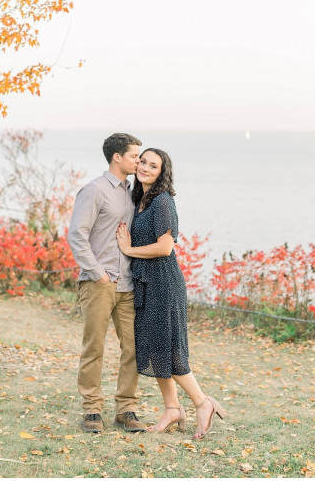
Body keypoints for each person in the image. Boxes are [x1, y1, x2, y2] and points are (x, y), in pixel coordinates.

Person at [116, 148, 226, 440]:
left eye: (154, 165)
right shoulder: (139, 199)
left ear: (162, 172)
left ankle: (203, 403)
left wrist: (128, 250)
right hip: (145, 282)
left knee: (171, 351)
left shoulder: (163, 202)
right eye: (143, 162)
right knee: (155, 350)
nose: (146, 168)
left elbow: (165, 247)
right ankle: (172, 408)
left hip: (163, 282)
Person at [67, 133, 148, 434]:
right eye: (134, 156)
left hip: (127, 284)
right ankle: (92, 410)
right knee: (94, 348)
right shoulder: (94, 191)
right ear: (117, 157)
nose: (138, 161)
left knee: (133, 348)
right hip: (99, 283)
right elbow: (77, 235)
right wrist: (98, 272)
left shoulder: (133, 192)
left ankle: (126, 409)